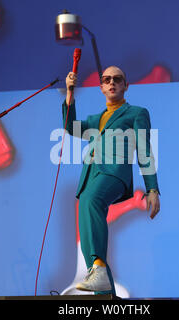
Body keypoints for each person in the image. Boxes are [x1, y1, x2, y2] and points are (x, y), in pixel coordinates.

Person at [62, 66, 160, 295]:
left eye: (117, 79)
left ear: (126, 85)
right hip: (92, 174)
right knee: (85, 212)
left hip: (116, 173)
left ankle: (98, 269)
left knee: (89, 199)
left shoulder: (136, 113)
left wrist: (152, 189)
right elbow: (70, 127)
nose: (112, 82)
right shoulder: (96, 119)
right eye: (107, 79)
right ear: (101, 87)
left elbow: (144, 151)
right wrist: (69, 93)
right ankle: (104, 291)